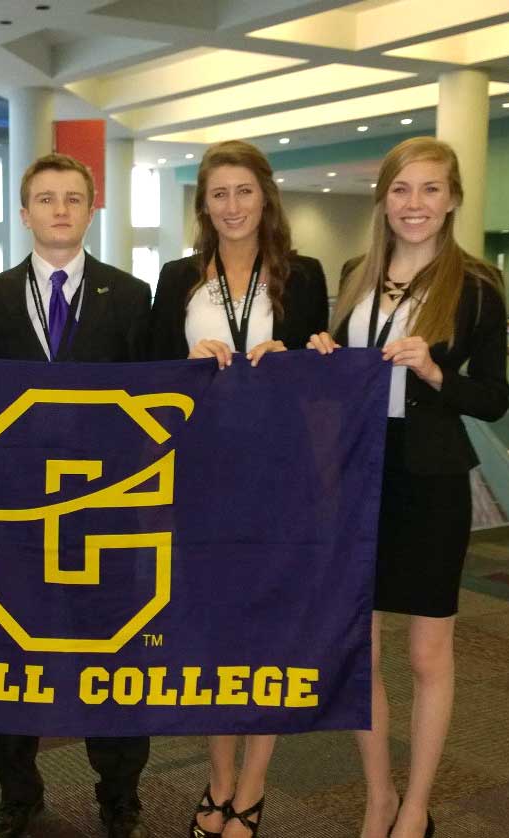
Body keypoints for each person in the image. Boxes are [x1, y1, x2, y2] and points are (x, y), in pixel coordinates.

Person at [308, 137, 509, 838]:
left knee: (426, 655)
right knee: (358, 650)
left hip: (429, 482)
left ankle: (416, 804)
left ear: (451, 198)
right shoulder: (355, 273)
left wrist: (432, 372)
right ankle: (377, 796)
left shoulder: (476, 286)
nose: (413, 204)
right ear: (382, 199)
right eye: (401, 189)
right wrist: (323, 358)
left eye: (428, 189)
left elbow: (491, 400)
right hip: (356, 476)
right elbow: (337, 390)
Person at [0, 153, 151, 838]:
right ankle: (17, 793)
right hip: (15, 514)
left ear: (91, 207)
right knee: (10, 655)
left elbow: (156, 404)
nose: (59, 210)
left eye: (72, 197)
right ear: (24, 212)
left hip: (108, 514)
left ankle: (119, 792)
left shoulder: (132, 297)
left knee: (114, 655)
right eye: (44, 198)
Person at [150, 140, 328, 838]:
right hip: (196, 476)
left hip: (277, 476)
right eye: (217, 193)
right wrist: (180, 361)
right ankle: (218, 779)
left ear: (265, 197)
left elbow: (326, 376)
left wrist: (295, 362)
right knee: (208, 634)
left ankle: (251, 788)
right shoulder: (175, 278)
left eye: (243, 192)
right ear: (203, 204)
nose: (231, 206)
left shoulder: (303, 275)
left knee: (265, 634)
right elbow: (142, 381)